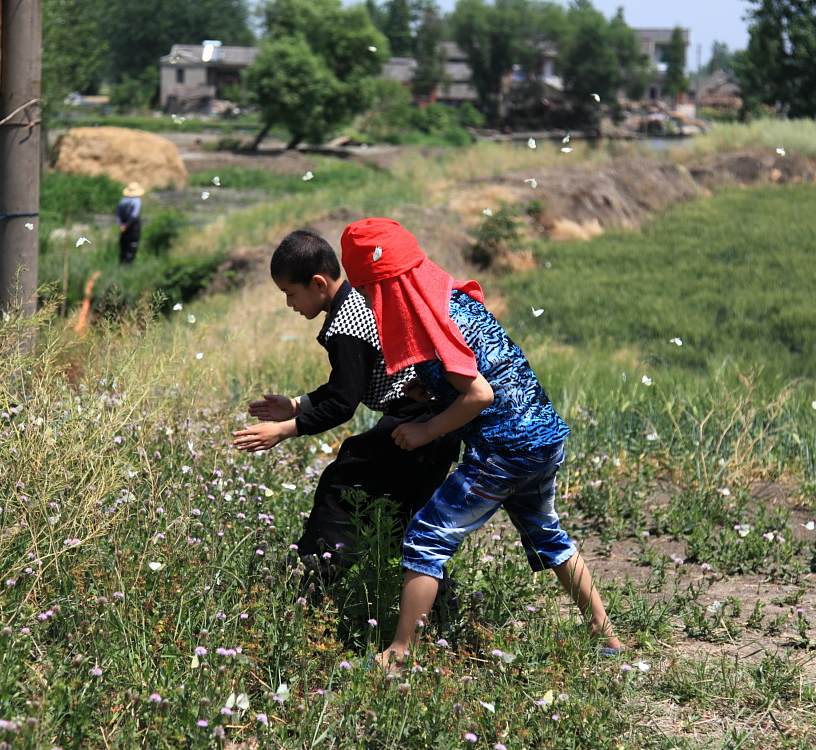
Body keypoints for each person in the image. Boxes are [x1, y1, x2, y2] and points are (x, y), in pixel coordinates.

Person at [338, 217, 624, 668]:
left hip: (504, 450)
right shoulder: (449, 301)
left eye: (372, 293)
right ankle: (605, 635)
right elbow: (476, 377)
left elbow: (479, 394)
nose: (374, 305)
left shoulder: (433, 324)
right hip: (542, 438)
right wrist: (429, 394)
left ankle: (399, 653)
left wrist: (426, 429)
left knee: (426, 538)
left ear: (385, 287)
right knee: (546, 534)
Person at [232, 229, 460, 586]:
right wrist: (296, 404)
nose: (290, 304)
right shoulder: (356, 301)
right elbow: (346, 387)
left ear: (319, 283)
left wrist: (284, 430)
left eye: (290, 293)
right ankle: (433, 607)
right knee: (404, 519)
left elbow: (342, 404)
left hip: (416, 423)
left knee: (344, 483)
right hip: (434, 421)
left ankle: (315, 582)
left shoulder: (345, 325)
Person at [116, 182, 144, 264]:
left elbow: (118, 215)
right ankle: (127, 266)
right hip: (133, 226)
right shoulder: (136, 201)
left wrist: (122, 225)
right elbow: (134, 215)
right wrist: (128, 224)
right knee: (132, 245)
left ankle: (122, 264)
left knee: (124, 246)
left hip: (123, 226)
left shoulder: (122, 201)